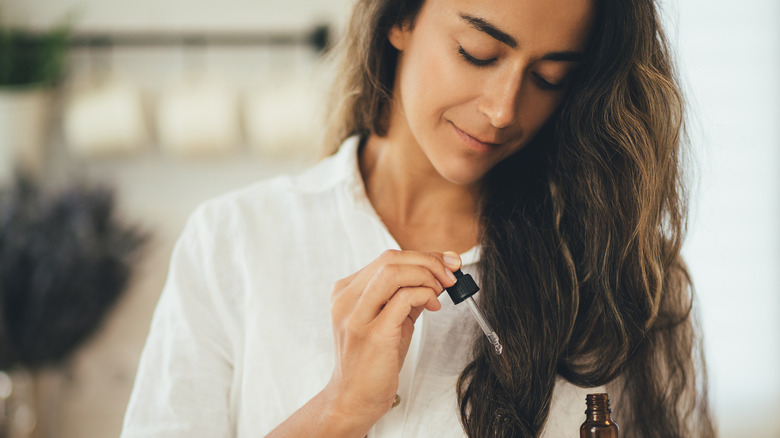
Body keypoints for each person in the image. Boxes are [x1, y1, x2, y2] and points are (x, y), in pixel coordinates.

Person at [121, 0, 716, 436]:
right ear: (400, 19)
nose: (503, 110)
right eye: (478, 53)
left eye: (548, 78)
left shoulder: (626, 275)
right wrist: (341, 408)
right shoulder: (235, 241)